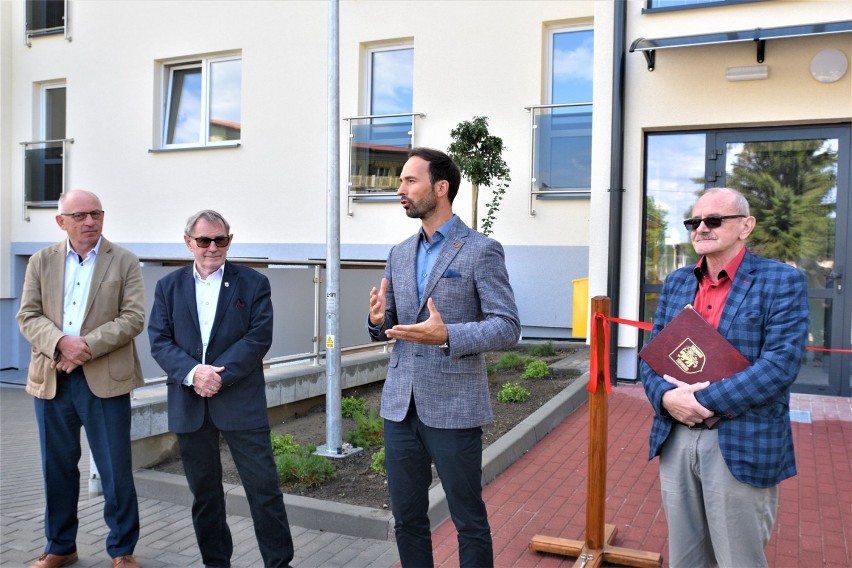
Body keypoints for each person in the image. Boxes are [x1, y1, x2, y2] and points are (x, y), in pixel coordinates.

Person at [367, 148, 521, 567]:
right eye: (400, 181)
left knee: (468, 519)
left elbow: (507, 326)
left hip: (454, 406)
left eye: (409, 181)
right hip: (400, 406)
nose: (400, 189)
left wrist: (447, 335)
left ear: (441, 188)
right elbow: (396, 325)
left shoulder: (481, 250)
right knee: (407, 519)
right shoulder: (399, 252)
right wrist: (377, 321)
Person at [640, 187, 809, 568]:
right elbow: (653, 358)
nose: (701, 227)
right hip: (676, 437)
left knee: (738, 560)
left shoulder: (782, 282)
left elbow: (780, 365)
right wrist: (667, 399)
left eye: (714, 220)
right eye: (694, 221)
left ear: (745, 226)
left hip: (741, 440)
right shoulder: (677, 282)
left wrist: (702, 401)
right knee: (686, 558)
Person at [147, 210, 294, 567]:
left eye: (221, 240)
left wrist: (216, 376)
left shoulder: (253, 283)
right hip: (190, 404)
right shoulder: (168, 286)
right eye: (203, 241)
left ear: (229, 240)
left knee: (264, 491)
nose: (212, 247)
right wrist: (194, 373)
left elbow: (258, 338)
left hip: (240, 403)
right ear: (188, 243)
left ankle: (279, 563)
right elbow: (159, 340)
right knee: (205, 497)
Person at [17, 189, 145, 568]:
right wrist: (60, 344)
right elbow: (28, 315)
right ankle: (61, 546)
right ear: (61, 221)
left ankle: (122, 551)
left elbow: (133, 317)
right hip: (52, 378)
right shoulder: (41, 261)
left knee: (115, 469)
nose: (89, 221)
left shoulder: (123, 261)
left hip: (104, 379)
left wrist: (82, 347)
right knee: (56, 468)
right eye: (79, 215)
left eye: (96, 214)